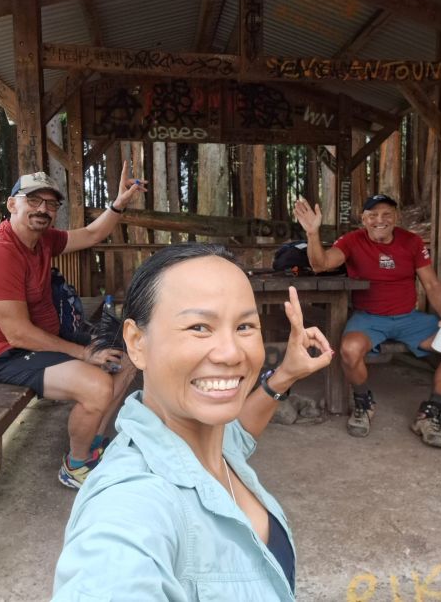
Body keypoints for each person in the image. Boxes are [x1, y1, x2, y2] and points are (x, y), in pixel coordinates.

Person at [52, 243, 333, 601]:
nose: (231, 353)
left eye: (245, 325)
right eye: (199, 327)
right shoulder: (129, 504)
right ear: (137, 343)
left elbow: (240, 434)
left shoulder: (207, 441)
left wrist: (285, 375)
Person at [0, 163, 147, 488]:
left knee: (126, 358)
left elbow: (92, 233)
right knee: (97, 384)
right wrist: (85, 353)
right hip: (6, 353)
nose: (43, 209)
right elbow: (17, 333)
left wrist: (118, 203)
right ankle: (75, 466)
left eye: (50, 204)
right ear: (12, 204)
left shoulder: (43, 240)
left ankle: (93, 445)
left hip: (43, 340)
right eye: (33, 200)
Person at [294, 193, 441, 449]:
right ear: (364, 219)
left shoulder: (412, 241)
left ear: (396, 217)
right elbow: (321, 264)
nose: (379, 220)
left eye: (386, 214)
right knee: (349, 350)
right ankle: (364, 401)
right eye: (372, 215)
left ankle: (430, 412)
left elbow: (431, 283)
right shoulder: (352, 240)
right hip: (369, 318)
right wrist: (312, 233)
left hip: (409, 318)